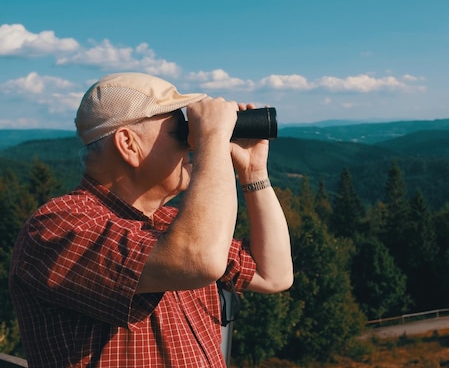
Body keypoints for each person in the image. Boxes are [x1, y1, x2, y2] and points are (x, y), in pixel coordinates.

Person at [9, 72, 293, 368]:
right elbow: (199, 260)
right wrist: (212, 139)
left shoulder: (173, 225)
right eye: (179, 131)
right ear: (129, 144)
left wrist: (253, 172)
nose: (190, 144)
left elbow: (273, 274)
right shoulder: (59, 226)